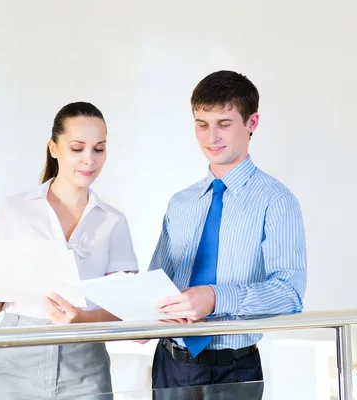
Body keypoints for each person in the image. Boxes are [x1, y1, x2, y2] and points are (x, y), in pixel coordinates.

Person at [0, 102, 138, 400]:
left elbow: (123, 309)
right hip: (16, 356)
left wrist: (82, 320)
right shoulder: (16, 210)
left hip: (85, 363)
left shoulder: (113, 221)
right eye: (77, 148)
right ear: (54, 148)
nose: (89, 160)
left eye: (99, 149)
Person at [148, 71, 307, 399]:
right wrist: (142, 317)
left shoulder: (276, 201)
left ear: (252, 123)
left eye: (224, 123)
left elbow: (290, 293)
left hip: (234, 368)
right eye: (202, 124)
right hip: (170, 363)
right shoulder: (180, 203)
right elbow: (157, 282)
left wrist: (216, 298)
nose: (211, 136)